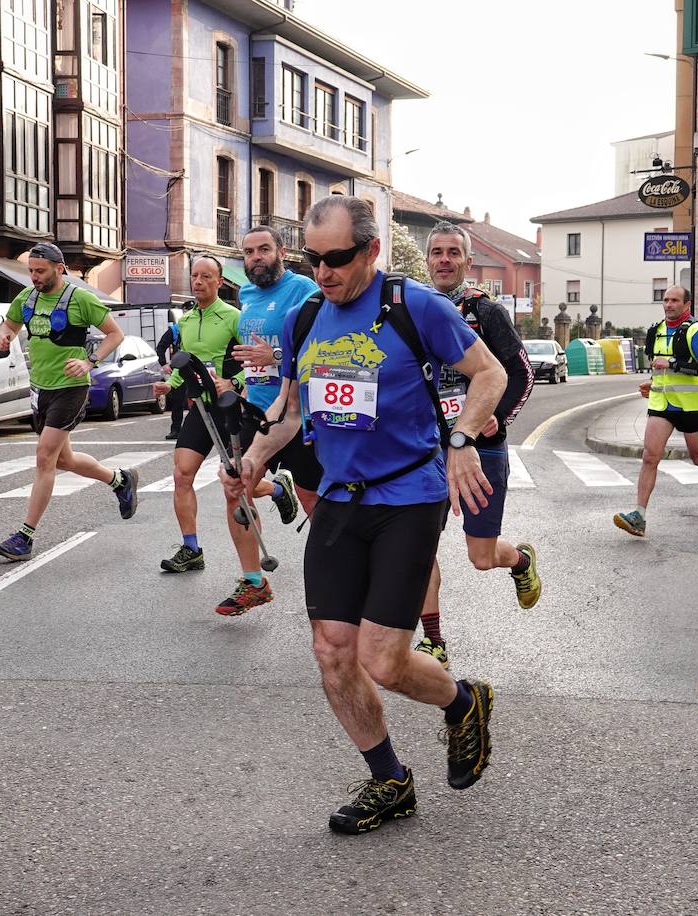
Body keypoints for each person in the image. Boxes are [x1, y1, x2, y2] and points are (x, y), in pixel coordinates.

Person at [223, 196, 507, 834]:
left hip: (408, 495)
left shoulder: (414, 307)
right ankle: (390, 780)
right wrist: (253, 457)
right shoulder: (306, 319)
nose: (322, 272)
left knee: (383, 658)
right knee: (331, 651)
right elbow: (291, 412)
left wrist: (461, 441)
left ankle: (463, 702)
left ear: (371, 251)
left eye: (337, 259)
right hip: (340, 497)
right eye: (313, 259)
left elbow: (488, 375)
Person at [414, 221, 539, 670]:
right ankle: (433, 640)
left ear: (468, 262)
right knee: (420, 546)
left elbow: (521, 373)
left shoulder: (485, 311)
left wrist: (494, 417)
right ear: (428, 260)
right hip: (427, 448)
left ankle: (520, 559)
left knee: (481, 558)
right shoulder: (413, 308)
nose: (444, 259)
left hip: (481, 450)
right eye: (437, 252)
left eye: (453, 252)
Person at [151, 255, 300, 616]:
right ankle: (191, 549)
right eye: (195, 276)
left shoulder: (235, 317)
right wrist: (168, 385)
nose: (198, 281)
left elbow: (253, 365)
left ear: (220, 282)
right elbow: (187, 367)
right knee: (181, 473)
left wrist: (231, 382)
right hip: (200, 408)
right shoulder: (184, 321)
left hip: (231, 405)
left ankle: (279, 489)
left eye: (206, 276)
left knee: (236, 481)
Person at [0, 242, 140, 560]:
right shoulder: (27, 297)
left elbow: (115, 335)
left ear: (59, 269)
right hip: (40, 388)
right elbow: (9, 326)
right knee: (63, 460)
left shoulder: (80, 298)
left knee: (45, 458)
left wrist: (89, 362)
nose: (34, 277)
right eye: (31, 271)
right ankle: (119, 480)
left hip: (71, 387)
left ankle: (25, 537)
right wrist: (2, 336)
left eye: (40, 271)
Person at [613, 285, 698, 537]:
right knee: (650, 456)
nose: (668, 304)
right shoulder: (656, 331)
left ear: (686, 304)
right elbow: (659, 369)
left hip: (689, 406)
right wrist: (654, 381)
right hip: (661, 405)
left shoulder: (695, 331)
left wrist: (673, 364)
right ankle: (639, 516)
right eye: (666, 300)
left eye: (674, 300)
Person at [229, 225, 325, 521]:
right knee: (236, 488)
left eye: (264, 250)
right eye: (249, 252)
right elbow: (251, 354)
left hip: (295, 410)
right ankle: (252, 570)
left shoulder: (304, 290)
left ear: (282, 253)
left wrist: (277, 356)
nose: (256, 257)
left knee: (312, 498)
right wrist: (242, 389)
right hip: (256, 407)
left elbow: (322, 348)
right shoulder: (246, 293)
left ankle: (337, 561)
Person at [155, 309, 185, 440]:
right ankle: (175, 430)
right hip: (179, 369)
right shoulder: (175, 329)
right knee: (177, 401)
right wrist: (164, 364)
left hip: (198, 368)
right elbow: (161, 346)